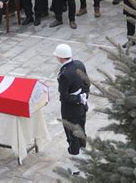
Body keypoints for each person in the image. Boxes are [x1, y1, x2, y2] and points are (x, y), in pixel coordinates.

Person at [53, 43, 90, 176]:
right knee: (81, 131)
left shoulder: (64, 74)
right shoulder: (79, 64)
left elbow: (64, 97)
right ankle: (84, 157)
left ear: (60, 58)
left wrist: (78, 98)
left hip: (70, 110)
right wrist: (83, 96)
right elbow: (87, 83)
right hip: (82, 108)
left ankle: (75, 167)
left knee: (72, 136)